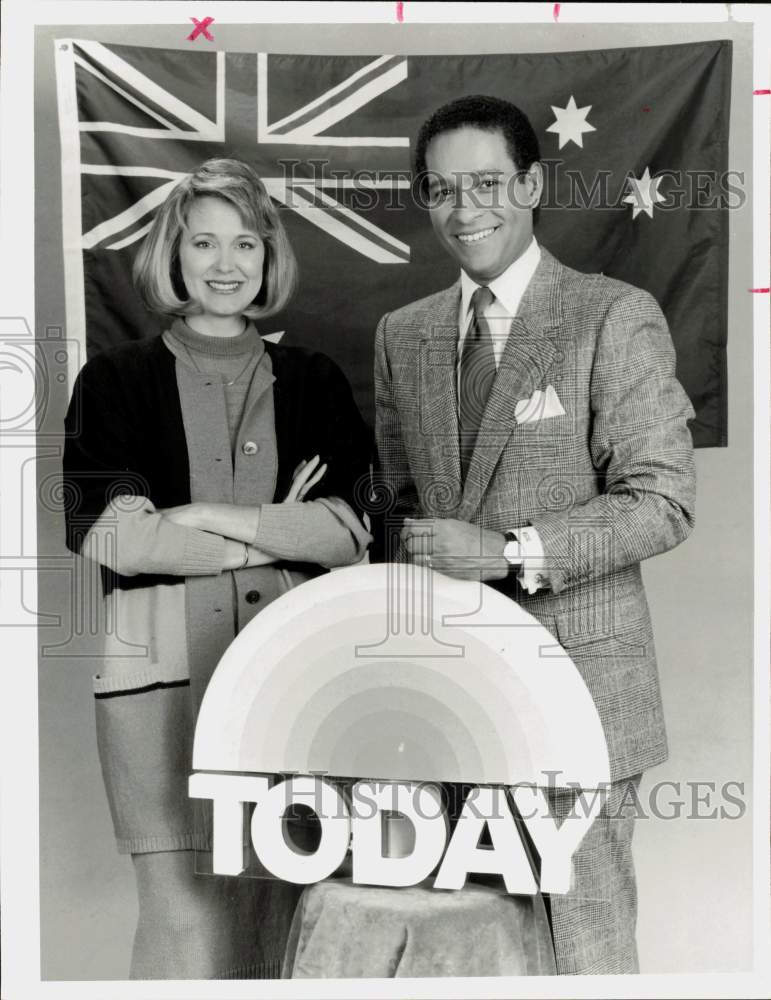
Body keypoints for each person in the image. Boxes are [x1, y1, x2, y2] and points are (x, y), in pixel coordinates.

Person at [372, 95, 696, 974]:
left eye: (485, 183)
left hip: (584, 692)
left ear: (530, 183)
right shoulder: (401, 335)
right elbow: (399, 506)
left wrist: (511, 551)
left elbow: (662, 499)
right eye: (442, 190)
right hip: (450, 697)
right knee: (474, 949)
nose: (464, 208)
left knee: (581, 946)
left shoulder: (610, 315)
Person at [62, 158, 373, 979]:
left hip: (296, 680)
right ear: (174, 253)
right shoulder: (114, 380)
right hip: (158, 685)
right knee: (181, 914)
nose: (225, 264)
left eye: (245, 243)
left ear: (270, 260)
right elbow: (111, 534)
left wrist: (200, 517)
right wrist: (276, 533)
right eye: (204, 242)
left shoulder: (312, 381)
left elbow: (350, 528)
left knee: (291, 906)